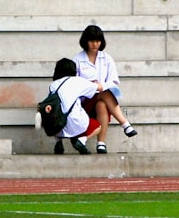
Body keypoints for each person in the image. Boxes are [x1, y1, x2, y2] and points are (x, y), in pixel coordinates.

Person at [73, 24, 137, 154]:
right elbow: (74, 83)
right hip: (84, 101)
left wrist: (101, 86)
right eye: (91, 41)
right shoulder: (78, 60)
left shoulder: (107, 59)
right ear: (85, 41)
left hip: (103, 98)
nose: (95, 44)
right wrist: (91, 85)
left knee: (102, 103)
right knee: (102, 94)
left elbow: (113, 81)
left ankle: (101, 143)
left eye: (97, 41)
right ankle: (125, 124)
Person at [45, 58, 102, 155]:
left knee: (53, 114)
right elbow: (99, 88)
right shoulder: (77, 81)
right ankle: (81, 140)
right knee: (98, 126)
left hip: (56, 126)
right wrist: (95, 83)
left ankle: (58, 142)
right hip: (76, 123)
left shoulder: (53, 85)